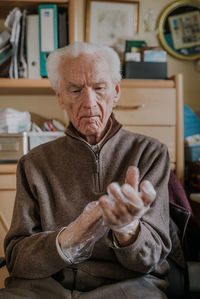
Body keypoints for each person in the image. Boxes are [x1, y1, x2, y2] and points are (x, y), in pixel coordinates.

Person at [0, 42, 171, 299]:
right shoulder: (33, 163)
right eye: (75, 90)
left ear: (116, 91)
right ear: (59, 95)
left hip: (127, 287)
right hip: (46, 287)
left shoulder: (150, 153)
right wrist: (70, 238)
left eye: (99, 88)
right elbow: (17, 260)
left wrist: (128, 229)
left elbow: (149, 260)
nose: (89, 102)